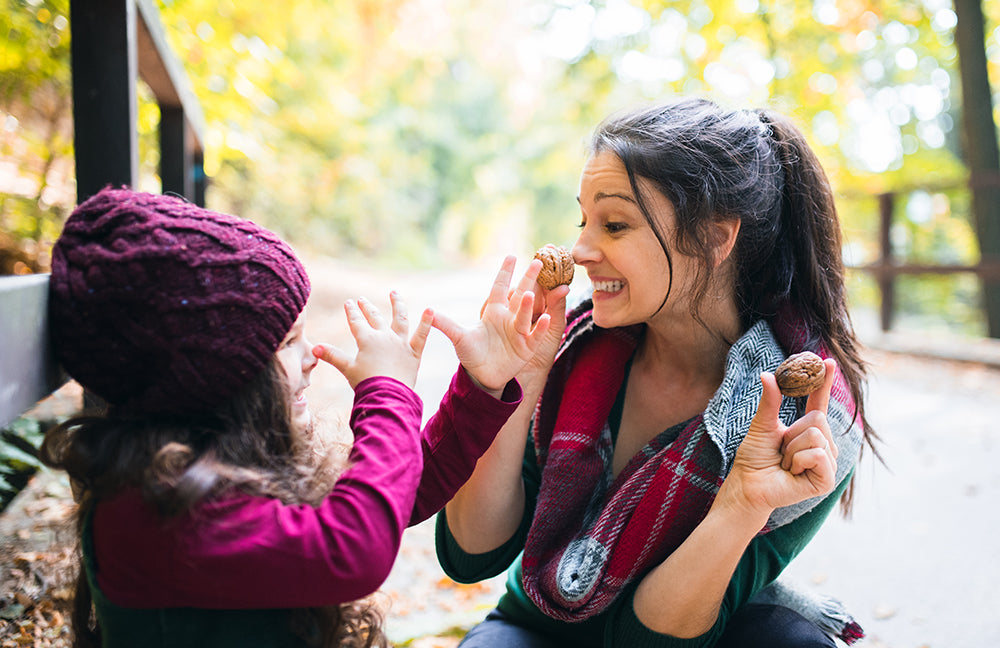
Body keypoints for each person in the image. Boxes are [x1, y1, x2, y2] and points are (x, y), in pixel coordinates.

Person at [436, 98, 878, 648]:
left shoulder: (811, 419)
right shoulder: (568, 353)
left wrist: (743, 504)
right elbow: (471, 552)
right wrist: (511, 388)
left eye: (614, 224)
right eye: (583, 221)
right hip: (538, 626)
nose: (579, 250)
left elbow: (649, 639)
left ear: (716, 238)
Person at [40, 187, 554, 648]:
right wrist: (388, 393)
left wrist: (481, 386)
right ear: (207, 376)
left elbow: (398, 489)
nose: (311, 355)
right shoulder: (150, 512)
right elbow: (357, 546)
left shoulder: (214, 455)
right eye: (288, 342)